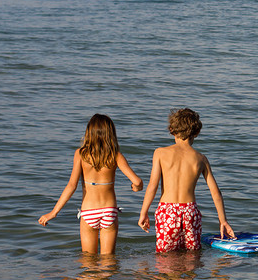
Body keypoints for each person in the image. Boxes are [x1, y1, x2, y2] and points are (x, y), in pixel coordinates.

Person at [38, 114, 144, 254]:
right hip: (109, 211)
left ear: (89, 132)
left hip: (89, 211)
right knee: (108, 262)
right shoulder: (115, 155)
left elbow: (71, 186)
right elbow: (137, 182)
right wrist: (135, 188)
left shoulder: (81, 154)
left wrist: (53, 212)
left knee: (88, 262)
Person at [138, 108, 235, 252]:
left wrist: (143, 212)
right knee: (192, 256)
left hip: (167, 211)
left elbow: (153, 186)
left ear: (172, 130)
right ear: (196, 133)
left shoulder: (160, 153)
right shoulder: (201, 158)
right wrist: (223, 220)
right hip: (190, 211)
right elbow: (215, 192)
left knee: (165, 257)